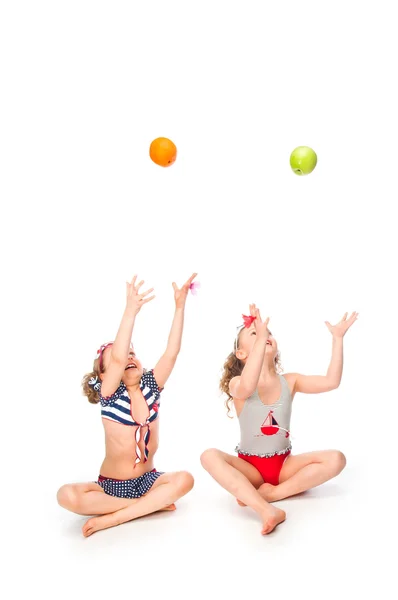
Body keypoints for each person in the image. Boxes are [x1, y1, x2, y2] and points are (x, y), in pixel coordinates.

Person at [57, 273, 197, 537]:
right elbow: (118, 359)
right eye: (120, 359)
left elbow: (171, 352)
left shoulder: (151, 387)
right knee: (66, 495)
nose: (128, 356)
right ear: (104, 375)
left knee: (185, 479)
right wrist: (130, 311)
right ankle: (144, 507)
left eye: (134, 352)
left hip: (149, 480)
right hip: (112, 486)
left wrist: (180, 307)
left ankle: (116, 516)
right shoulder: (110, 394)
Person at [201, 304, 357, 535]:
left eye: (268, 333)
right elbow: (247, 386)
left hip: (284, 466)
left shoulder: (290, 381)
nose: (265, 334)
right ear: (241, 354)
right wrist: (261, 336)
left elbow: (331, 381)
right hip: (250, 469)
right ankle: (266, 510)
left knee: (336, 459)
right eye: (255, 333)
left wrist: (337, 339)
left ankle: (274, 494)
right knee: (208, 456)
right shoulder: (237, 383)